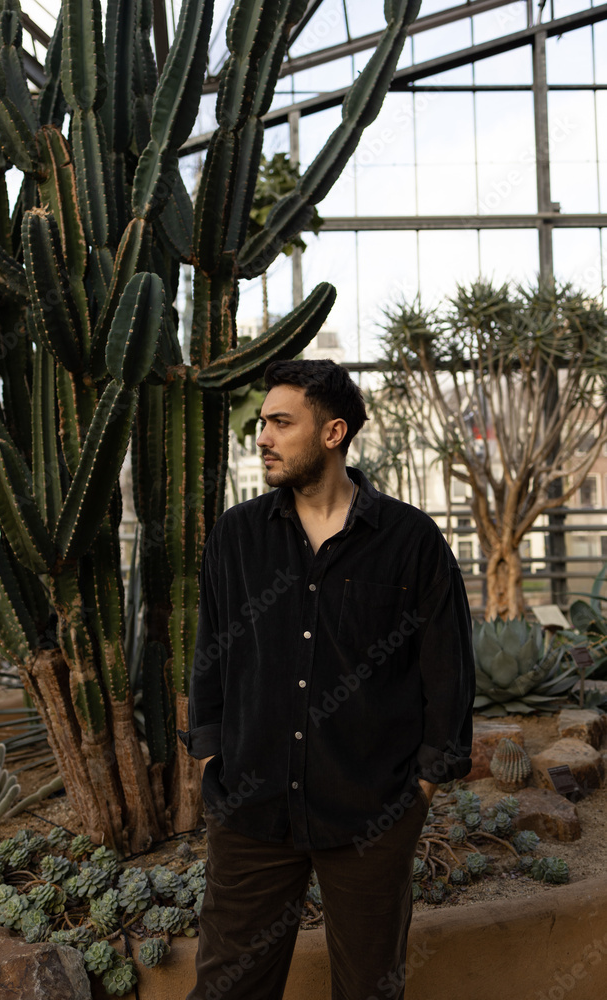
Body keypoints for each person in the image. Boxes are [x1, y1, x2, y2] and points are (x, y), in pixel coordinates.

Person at [178, 358, 475, 1000]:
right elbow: (211, 652)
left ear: (333, 432)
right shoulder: (237, 536)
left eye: (281, 423)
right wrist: (210, 759)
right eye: (263, 423)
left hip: (370, 814)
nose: (263, 437)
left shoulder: (411, 542)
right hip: (251, 811)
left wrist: (418, 789)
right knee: (227, 988)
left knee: (369, 989)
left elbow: (447, 670)